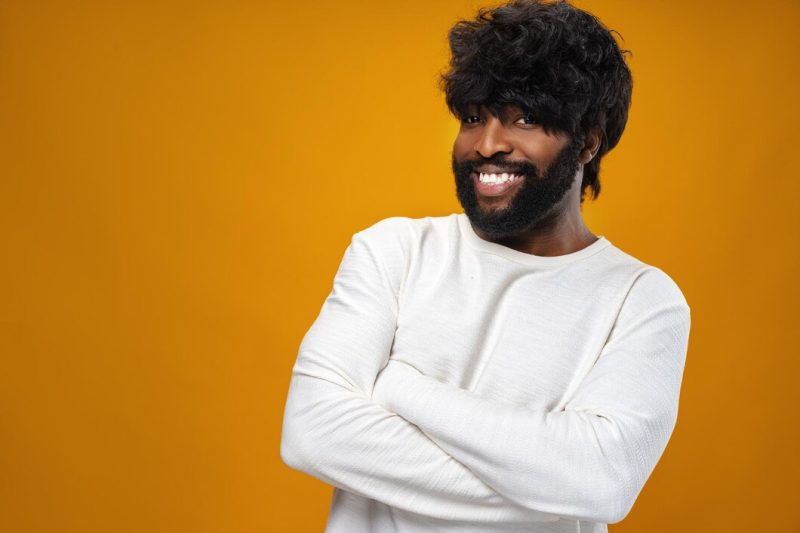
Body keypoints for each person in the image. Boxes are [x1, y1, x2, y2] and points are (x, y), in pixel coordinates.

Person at [280, 0, 691, 531]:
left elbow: (603, 480)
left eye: (525, 118)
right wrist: (546, 488)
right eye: (474, 117)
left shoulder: (641, 299)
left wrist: (403, 387)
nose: (488, 144)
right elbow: (312, 433)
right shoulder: (394, 251)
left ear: (588, 141)